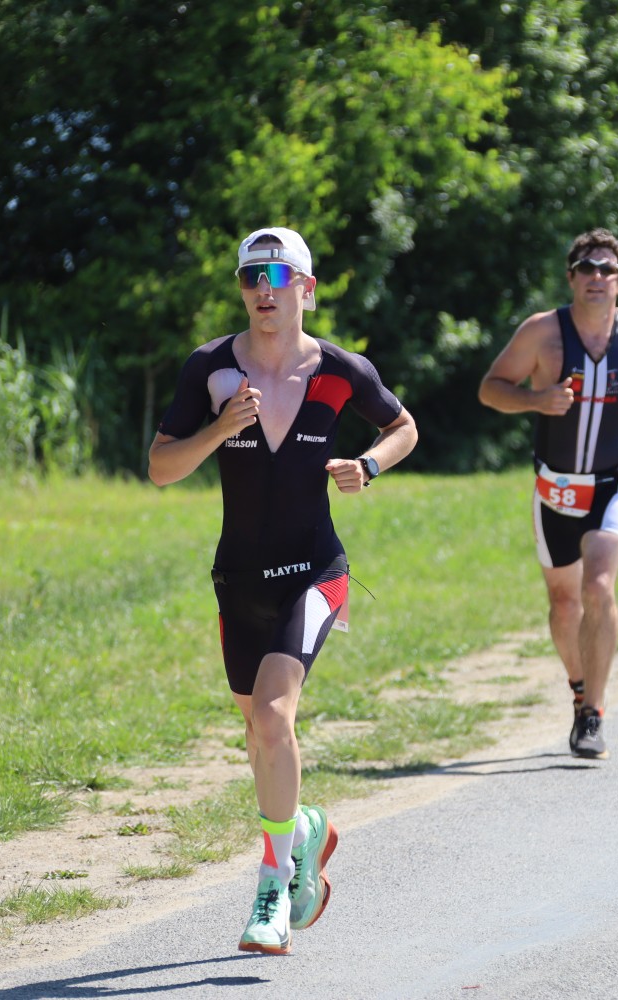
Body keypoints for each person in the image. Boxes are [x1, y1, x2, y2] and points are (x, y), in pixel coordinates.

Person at [148, 227, 417, 954]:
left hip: (315, 572)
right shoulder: (210, 369)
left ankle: (272, 887)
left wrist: (369, 465)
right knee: (260, 733)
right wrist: (218, 431)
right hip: (238, 579)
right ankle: (301, 828)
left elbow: (403, 426)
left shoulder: (340, 369)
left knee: (273, 716)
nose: (263, 290)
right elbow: (162, 468)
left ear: (307, 288)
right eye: (250, 278)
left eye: (277, 276)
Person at [478, 228, 618, 760]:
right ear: (571, 277)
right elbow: (491, 388)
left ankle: (593, 714)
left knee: (599, 586)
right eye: (587, 267)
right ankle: (579, 689)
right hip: (557, 488)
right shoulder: (542, 333)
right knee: (565, 606)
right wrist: (537, 400)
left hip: (616, 481)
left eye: (608, 269)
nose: (597, 277)